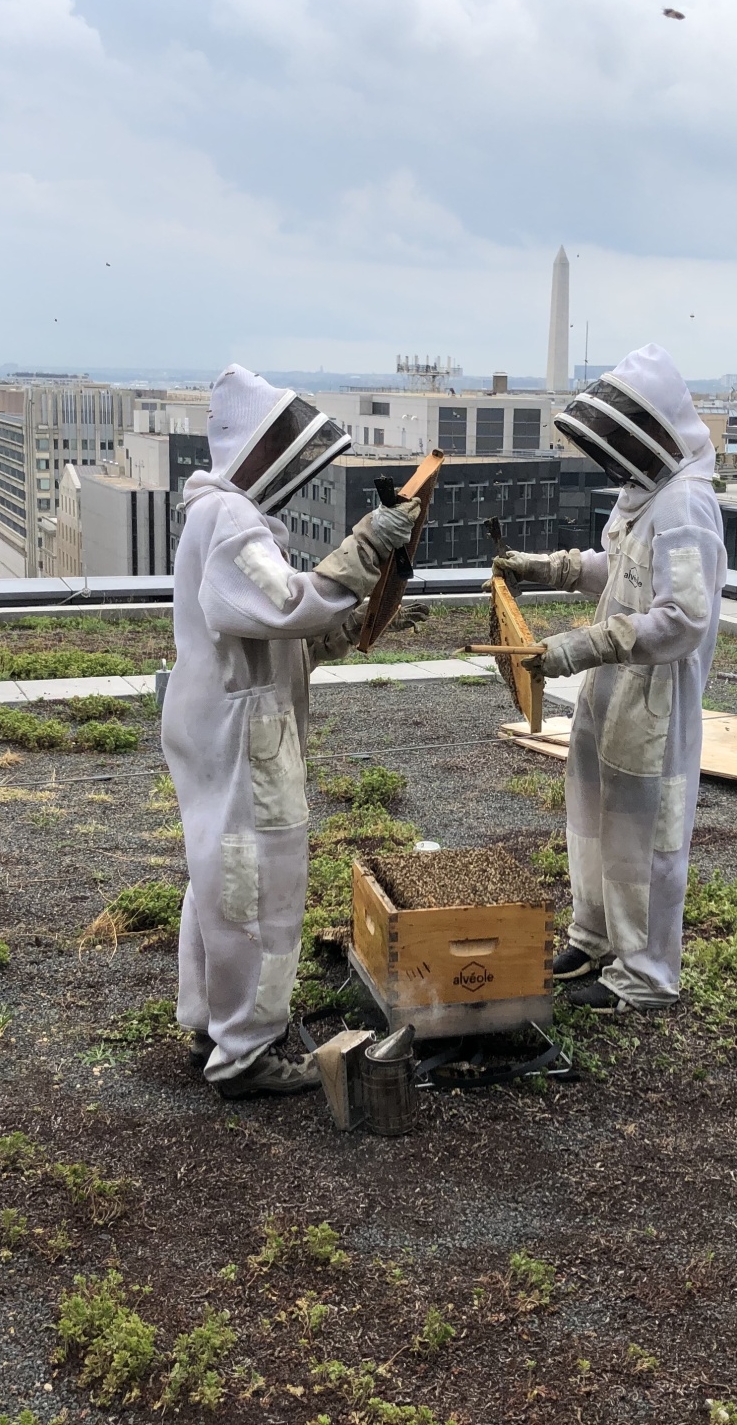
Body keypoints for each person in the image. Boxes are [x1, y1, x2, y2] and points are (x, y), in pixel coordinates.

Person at [165, 365, 423, 1097]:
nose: (293, 458)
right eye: (281, 442)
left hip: (229, 723)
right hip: (245, 738)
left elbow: (279, 635)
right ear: (253, 446)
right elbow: (287, 606)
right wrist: (367, 547)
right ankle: (247, 1052)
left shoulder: (225, 519)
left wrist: (359, 624)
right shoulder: (231, 521)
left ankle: (212, 1025)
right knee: (260, 890)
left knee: (218, 882)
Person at [493, 343, 727, 1014]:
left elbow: (681, 618)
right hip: (612, 683)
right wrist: (547, 568)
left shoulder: (686, 508)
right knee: (595, 817)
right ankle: (594, 935)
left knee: (643, 836)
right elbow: (616, 568)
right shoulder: (643, 499)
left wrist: (584, 644)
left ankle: (646, 973)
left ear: (655, 431)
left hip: (653, 693)